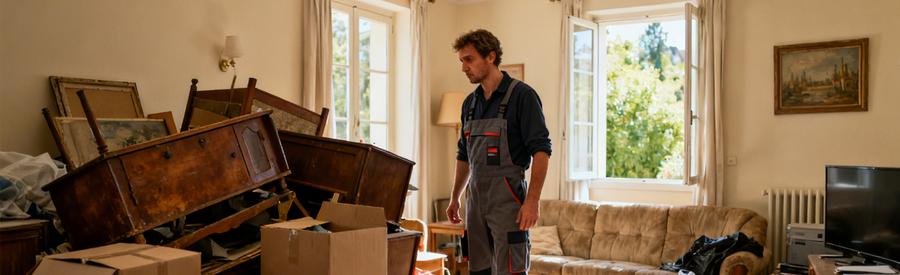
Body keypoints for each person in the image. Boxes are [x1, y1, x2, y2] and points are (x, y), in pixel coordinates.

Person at [445, 29, 551, 275]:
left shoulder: (523, 96)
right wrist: (455, 197)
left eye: (469, 59)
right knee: (478, 268)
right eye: (461, 61)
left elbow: (542, 151)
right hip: (475, 202)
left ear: (490, 57)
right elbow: (464, 154)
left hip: (508, 201)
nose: (463, 67)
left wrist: (532, 201)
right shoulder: (469, 104)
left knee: (510, 270)